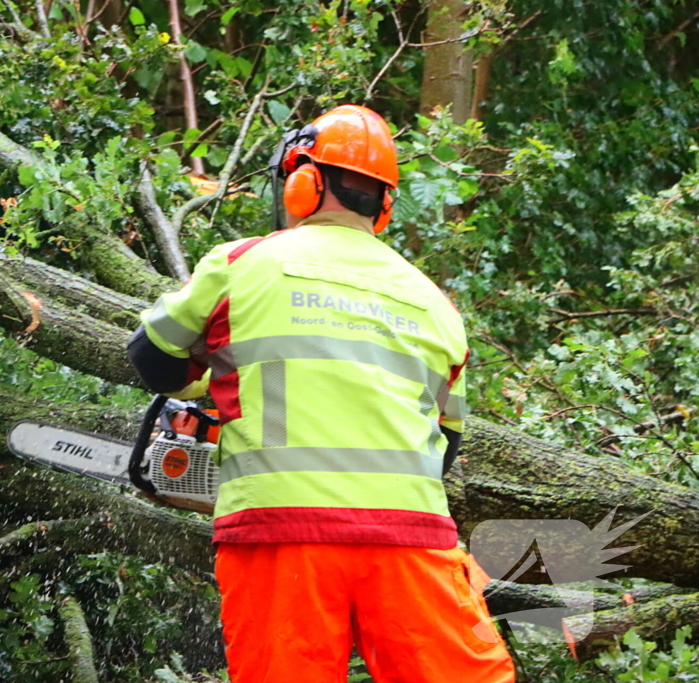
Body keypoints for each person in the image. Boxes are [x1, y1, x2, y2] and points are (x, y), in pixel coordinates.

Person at [126, 105, 516, 683]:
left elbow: (152, 359)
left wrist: (217, 384)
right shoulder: (436, 302)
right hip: (409, 539)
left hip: (280, 534)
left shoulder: (241, 263)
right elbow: (446, 443)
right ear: (384, 203)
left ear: (304, 181)